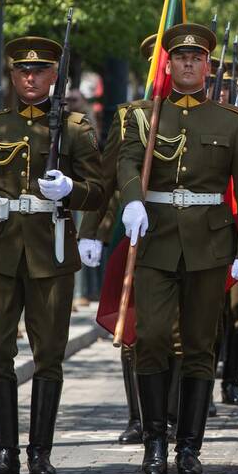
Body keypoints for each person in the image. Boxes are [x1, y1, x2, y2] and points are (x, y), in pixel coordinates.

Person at [0, 36, 105, 474]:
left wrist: (71, 190)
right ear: (12, 76)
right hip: (2, 252)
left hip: (52, 252)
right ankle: (6, 451)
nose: (31, 77)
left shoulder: (75, 127)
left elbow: (100, 191)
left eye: (40, 70)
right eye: (23, 71)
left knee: (49, 355)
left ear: (54, 76)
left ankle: (40, 453)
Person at [118, 23, 238, 474]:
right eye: (180, 57)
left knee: (201, 346)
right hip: (156, 239)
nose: (188, 63)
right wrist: (132, 201)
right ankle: (154, 439)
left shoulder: (230, 121)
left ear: (207, 66)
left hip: (209, 242)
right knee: (154, 337)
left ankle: (188, 447)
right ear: (169, 63)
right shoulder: (141, 114)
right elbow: (124, 161)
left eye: (196, 58)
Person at [77, 37, 152, 446]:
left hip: (190, 236)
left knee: (179, 335)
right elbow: (105, 179)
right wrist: (91, 232)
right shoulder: (130, 117)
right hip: (134, 234)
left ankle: (170, 413)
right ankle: (137, 416)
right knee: (131, 328)